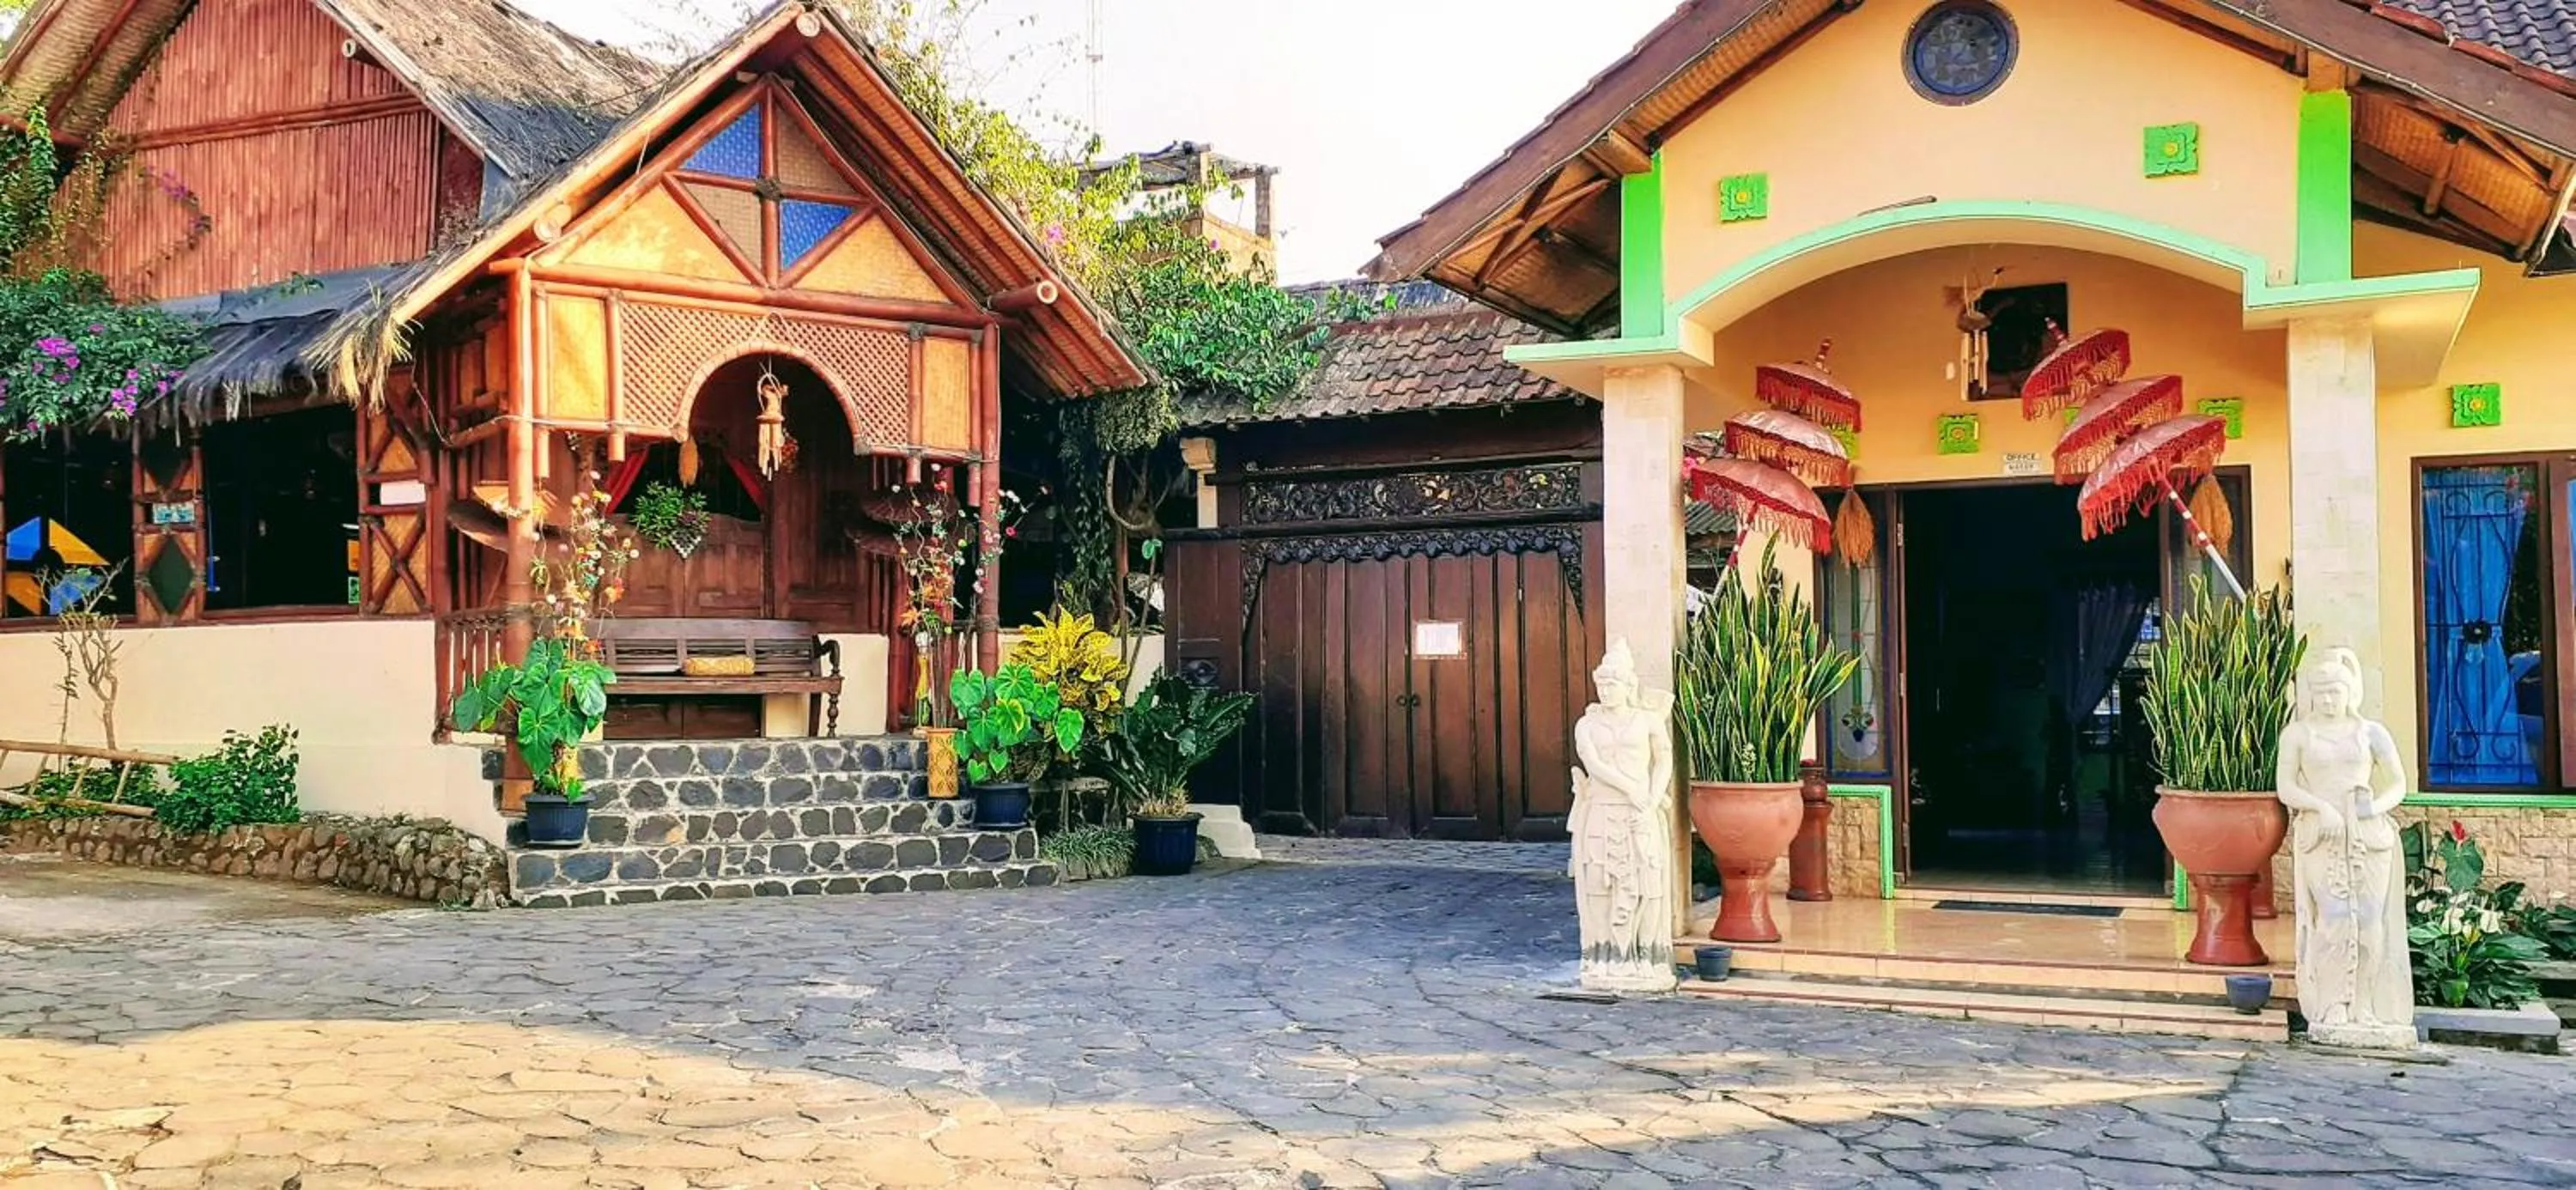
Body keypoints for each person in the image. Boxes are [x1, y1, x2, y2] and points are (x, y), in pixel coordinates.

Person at [2275, 647, 2415, 1048]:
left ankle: (2365, 1004)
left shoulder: (2371, 733)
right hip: (2323, 836)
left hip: (2369, 836)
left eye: (2335, 691)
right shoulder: (2298, 734)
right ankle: (2333, 1002)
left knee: (2370, 921)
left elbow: (2398, 784)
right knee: (2333, 917)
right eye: (2320, 693)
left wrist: (2373, 807)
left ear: (2350, 691)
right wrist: (2320, 807)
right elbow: (2286, 787)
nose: (2327, 700)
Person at [1569, 639, 1677, 993]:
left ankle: (1645, 954)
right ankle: (1605, 954)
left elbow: (1663, 759)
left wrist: (1652, 796)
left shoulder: (1647, 721)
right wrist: (1631, 789)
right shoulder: (1587, 725)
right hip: (1603, 810)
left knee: (1648, 885)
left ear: (1629, 685)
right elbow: (1593, 764)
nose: (1605, 690)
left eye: (1612, 684)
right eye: (1601, 684)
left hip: (1641, 813)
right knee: (1601, 885)